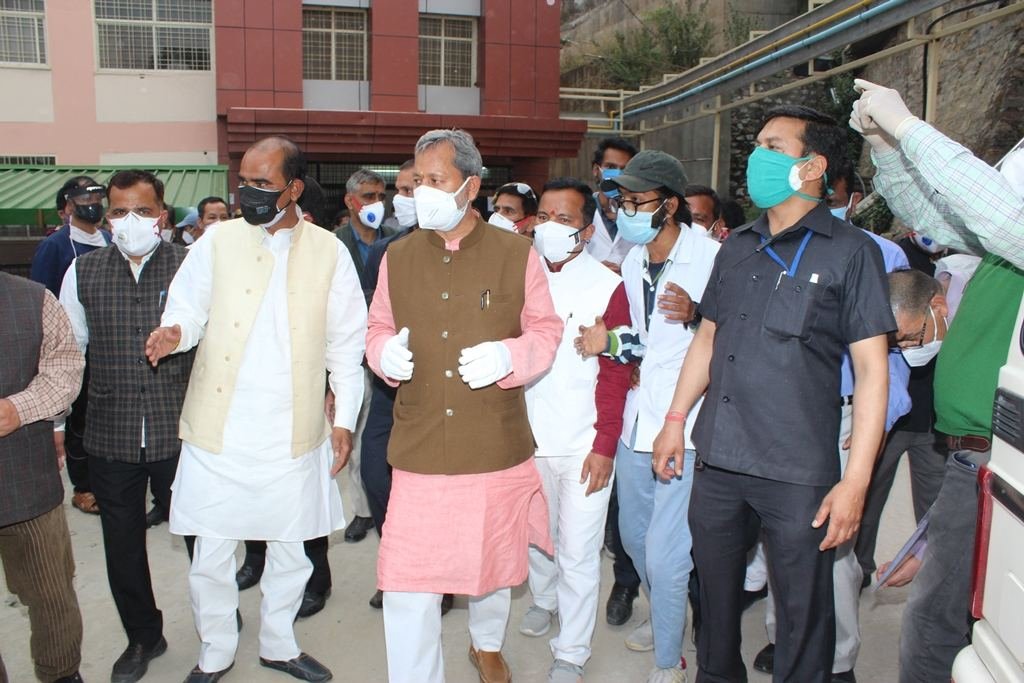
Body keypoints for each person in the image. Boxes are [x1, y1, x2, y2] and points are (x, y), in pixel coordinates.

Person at [653, 104, 894, 683]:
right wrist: (674, 420)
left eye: (773, 146)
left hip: (796, 470)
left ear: (813, 166)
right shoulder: (737, 245)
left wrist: (855, 482)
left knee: (804, 614)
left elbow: (873, 373)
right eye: (758, 144)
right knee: (714, 603)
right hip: (719, 458)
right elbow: (707, 339)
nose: (757, 156)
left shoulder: (851, 251)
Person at [146, 136, 367, 683]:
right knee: (212, 552)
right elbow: (187, 309)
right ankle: (216, 650)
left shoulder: (328, 251)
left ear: (293, 189)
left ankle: (278, 644)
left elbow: (346, 346)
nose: (249, 192)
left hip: (292, 430)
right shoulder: (217, 241)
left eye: (263, 183)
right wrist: (175, 333)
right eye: (244, 181)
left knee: (291, 549)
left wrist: (343, 421)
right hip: (220, 427)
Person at [365, 128, 562, 683]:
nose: (422, 191)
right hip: (420, 445)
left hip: (491, 443)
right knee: (407, 580)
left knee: (489, 563)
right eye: (417, 181)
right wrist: (383, 353)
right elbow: (376, 326)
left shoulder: (516, 254)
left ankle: (487, 644)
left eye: (437, 179)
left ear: (471, 187)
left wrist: (508, 355)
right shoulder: (398, 256)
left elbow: (546, 331)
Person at [851, 78, 1024, 683]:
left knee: (934, 623)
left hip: (994, 457)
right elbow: (942, 217)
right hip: (975, 459)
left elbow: (1002, 215)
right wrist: (888, 150)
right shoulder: (1000, 251)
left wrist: (909, 129)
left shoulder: (1013, 235)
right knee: (950, 619)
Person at [750, 159, 912, 682]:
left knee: (834, 545)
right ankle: (783, 636)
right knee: (781, 536)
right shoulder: (763, 245)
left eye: (837, 197)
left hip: (840, 418)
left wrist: (871, 430)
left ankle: (839, 659)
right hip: (776, 416)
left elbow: (886, 360)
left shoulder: (875, 252)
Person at [56, 170, 193, 683]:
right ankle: (143, 636)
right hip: (111, 434)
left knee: (202, 535)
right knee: (122, 546)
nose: (130, 221)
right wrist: (55, 424)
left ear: (162, 215)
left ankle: (218, 615)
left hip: (181, 430)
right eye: (119, 211)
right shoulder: (82, 272)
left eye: (142, 210)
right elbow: (69, 353)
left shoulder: (191, 265)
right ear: (107, 217)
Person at [595, 150, 720, 683]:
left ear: (669, 205)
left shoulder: (713, 257)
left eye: (636, 200)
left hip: (686, 425)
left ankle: (670, 662)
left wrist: (697, 315)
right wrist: (610, 343)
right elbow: (644, 340)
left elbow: (732, 337)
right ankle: (669, 614)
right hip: (638, 421)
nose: (625, 210)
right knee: (632, 538)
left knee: (667, 556)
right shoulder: (632, 260)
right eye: (621, 200)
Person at [519, 178, 633, 683]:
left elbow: (616, 376)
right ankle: (543, 600)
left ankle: (571, 652)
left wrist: (605, 444)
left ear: (586, 231)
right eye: (544, 217)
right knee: (536, 536)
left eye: (564, 219)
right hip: (527, 437)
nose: (550, 227)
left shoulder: (609, 287)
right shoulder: (519, 278)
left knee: (579, 551)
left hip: (585, 442)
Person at [233, 176, 338, 620]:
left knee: (303, 499)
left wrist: (334, 388)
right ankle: (255, 558)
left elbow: (336, 334)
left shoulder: (324, 253)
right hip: (254, 397)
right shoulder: (244, 247)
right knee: (256, 490)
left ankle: (316, 580)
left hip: (303, 394)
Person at [0, 271, 85, 683]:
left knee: (51, 593)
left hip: (26, 479)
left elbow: (65, 369)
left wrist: (19, 408)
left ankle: (61, 674)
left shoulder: (34, 299)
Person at [31, 176, 110, 516]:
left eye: (96, 197)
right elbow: (41, 297)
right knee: (80, 417)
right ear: (67, 205)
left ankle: (108, 480)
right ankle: (84, 486)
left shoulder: (109, 240)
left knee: (105, 416)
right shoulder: (55, 246)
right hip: (73, 344)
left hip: (109, 343)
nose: (92, 204)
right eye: (83, 199)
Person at [586, 137, 639, 270]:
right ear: (596, 170)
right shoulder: (583, 209)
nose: (618, 174)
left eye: (625, 169)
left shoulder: (643, 213)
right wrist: (595, 269)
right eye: (611, 167)